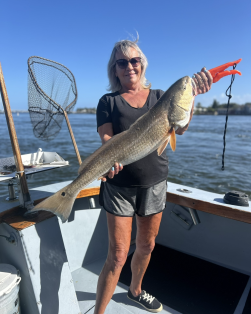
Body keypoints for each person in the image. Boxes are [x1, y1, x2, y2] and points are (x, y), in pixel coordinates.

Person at [95, 37, 212, 314]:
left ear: (142, 64)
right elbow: (107, 139)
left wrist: (192, 95)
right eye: (122, 62)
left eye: (134, 60)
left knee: (146, 246)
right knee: (118, 255)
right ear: (114, 69)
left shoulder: (161, 96)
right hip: (120, 187)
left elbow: (179, 127)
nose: (129, 67)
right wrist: (109, 162)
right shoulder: (107, 101)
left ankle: (135, 291)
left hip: (154, 183)